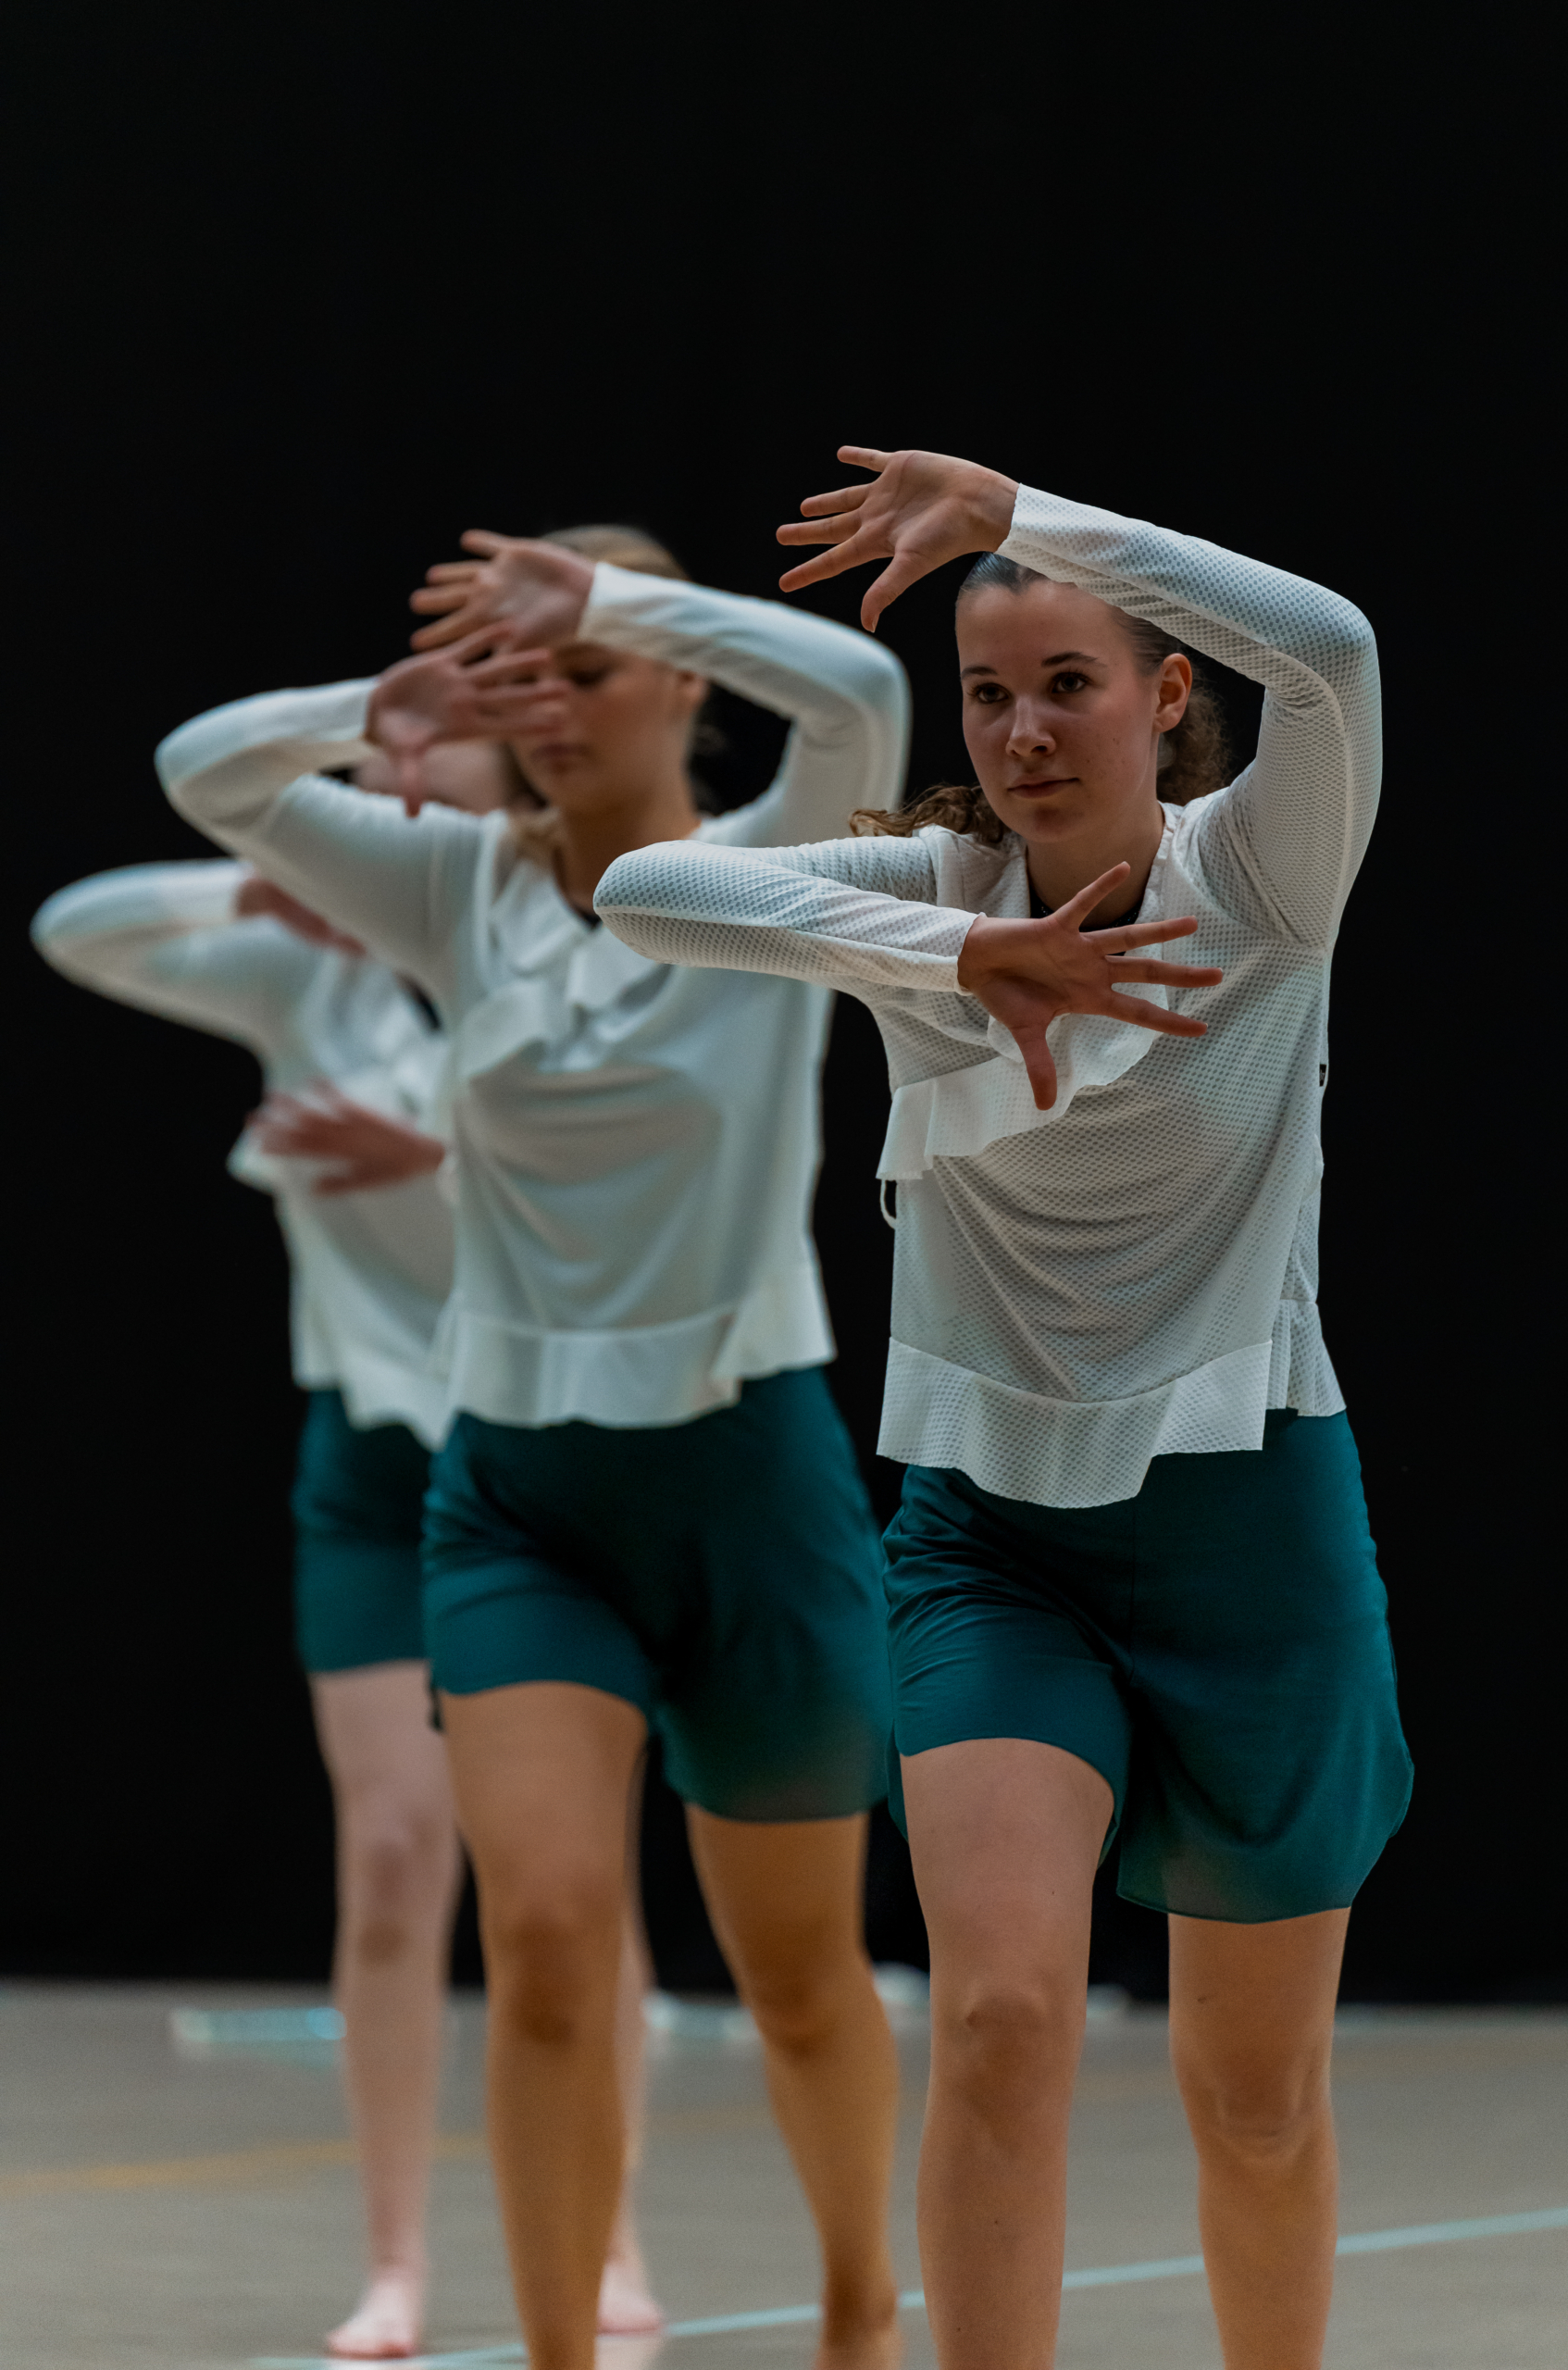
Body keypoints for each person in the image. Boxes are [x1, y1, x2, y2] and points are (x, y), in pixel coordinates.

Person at [593, 449, 1414, 2369]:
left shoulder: (1259, 873)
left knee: (1254, 2095)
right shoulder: (932, 889)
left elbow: (1338, 647)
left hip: (1251, 1529)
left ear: (1163, 696)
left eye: (1067, 680)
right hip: (988, 1540)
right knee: (994, 2017)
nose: (1024, 728)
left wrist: (1023, 517)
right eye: (986, 690)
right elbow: (641, 884)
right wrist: (958, 952)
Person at [155, 524, 913, 2370]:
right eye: (525, 679)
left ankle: (850, 2301)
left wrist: (617, 600)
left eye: (583, 672)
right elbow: (199, 770)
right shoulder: (448, 889)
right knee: (556, 1939)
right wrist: (383, 707)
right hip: (520, 1501)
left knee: (801, 1974)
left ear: (679, 684)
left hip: (751, 1481)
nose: (550, 710)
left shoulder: (776, 864)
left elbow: (871, 688)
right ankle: (561, 2348)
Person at [31, 730, 660, 2358]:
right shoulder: (299, 979)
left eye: (435, 791)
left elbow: (629, 1183)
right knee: (391, 1863)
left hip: (539, 1453)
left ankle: (611, 2227)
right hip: (371, 1471)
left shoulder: (551, 939)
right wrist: (254, 881)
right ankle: (395, 2262)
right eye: (375, 803)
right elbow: (78, 928)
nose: (404, 818)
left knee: (569, 1880)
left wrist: (431, 1156)